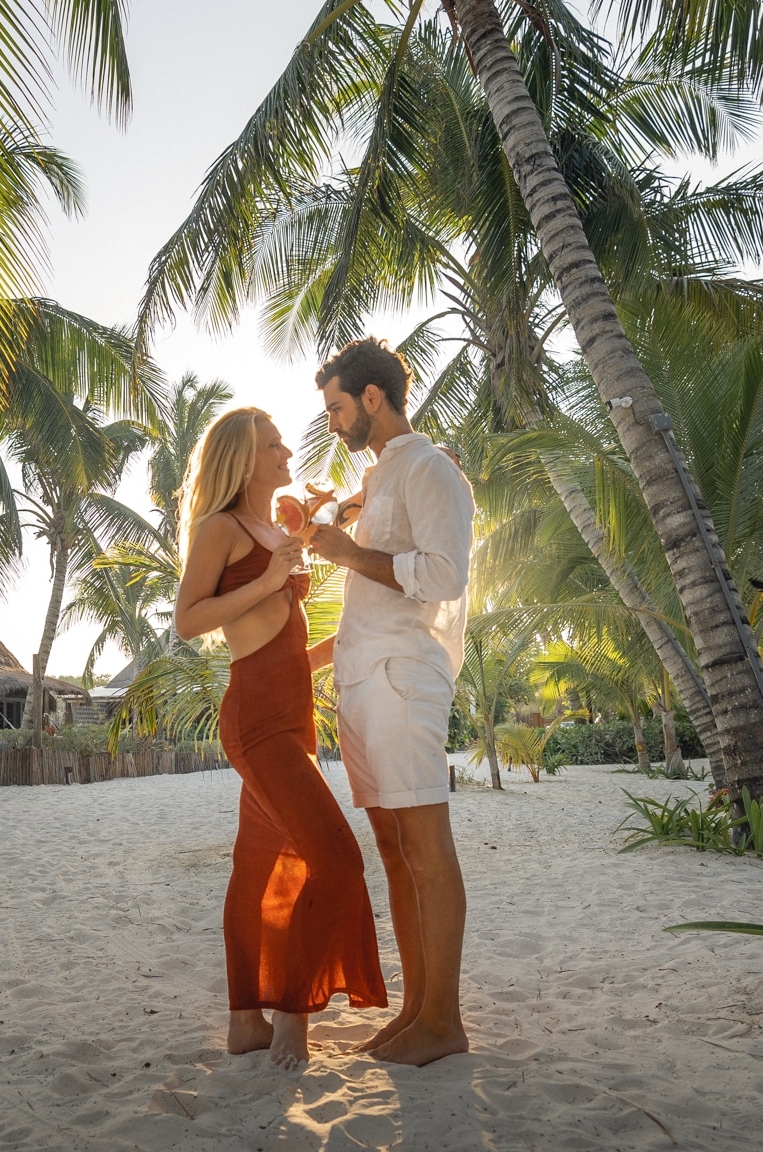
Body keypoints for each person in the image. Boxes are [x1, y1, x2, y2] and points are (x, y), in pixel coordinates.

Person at [174, 407, 389, 1069]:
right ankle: (293, 1013)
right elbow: (187, 620)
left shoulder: (276, 523)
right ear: (243, 459)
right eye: (273, 444)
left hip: (295, 717)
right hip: (257, 719)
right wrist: (270, 579)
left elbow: (287, 637)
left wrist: (348, 642)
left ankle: (246, 1020)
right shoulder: (222, 528)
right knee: (337, 859)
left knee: (255, 870)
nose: (287, 449)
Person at [307, 337, 475, 1067]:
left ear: (373, 398)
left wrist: (344, 553)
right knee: (395, 849)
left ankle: (445, 1020)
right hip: (366, 678)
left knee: (427, 848)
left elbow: (443, 576)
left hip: (406, 675)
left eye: (339, 409)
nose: (334, 424)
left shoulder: (432, 469)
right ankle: (416, 1010)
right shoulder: (379, 481)